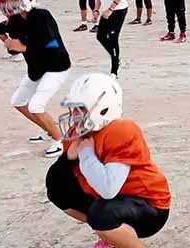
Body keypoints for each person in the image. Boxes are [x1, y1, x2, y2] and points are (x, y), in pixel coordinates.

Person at [47, 73, 170, 248]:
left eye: (80, 109)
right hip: (114, 201)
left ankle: (114, 232)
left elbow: (108, 189)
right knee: (58, 191)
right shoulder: (77, 133)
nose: (74, 115)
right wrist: (68, 158)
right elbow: (55, 181)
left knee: (102, 214)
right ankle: (112, 234)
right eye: (73, 109)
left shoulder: (121, 130)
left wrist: (87, 154)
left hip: (149, 206)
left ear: (103, 108)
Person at [0, 0, 71, 158]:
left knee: (36, 106)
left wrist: (22, 46)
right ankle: (49, 129)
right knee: (19, 102)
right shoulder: (16, 20)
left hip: (55, 66)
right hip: (36, 68)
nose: (10, 3)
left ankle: (61, 140)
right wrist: (8, 42)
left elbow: (51, 43)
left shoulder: (41, 16)